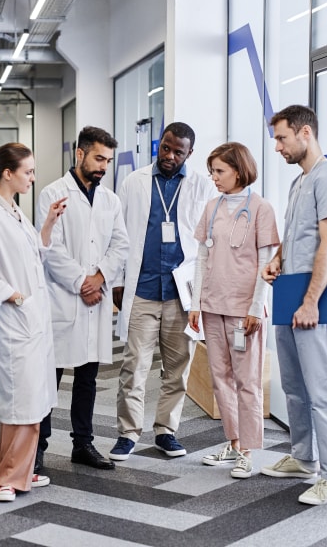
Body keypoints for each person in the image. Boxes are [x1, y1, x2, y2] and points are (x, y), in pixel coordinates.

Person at [260, 105, 327, 505]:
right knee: (294, 386)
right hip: (289, 290)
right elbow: (296, 234)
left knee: (323, 389)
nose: (277, 147)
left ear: (305, 133)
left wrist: (312, 301)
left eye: (281, 138)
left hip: (316, 297)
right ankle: (303, 458)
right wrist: (277, 258)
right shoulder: (300, 183)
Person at [0, 142, 67, 502]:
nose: (33, 178)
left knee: (35, 398)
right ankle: (6, 478)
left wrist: (49, 224)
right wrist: (14, 296)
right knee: (19, 401)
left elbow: (35, 251)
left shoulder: (12, 209)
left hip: (33, 320)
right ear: (7, 173)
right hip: (16, 320)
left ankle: (25, 469)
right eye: (28, 172)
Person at [110, 122, 216, 461]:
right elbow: (121, 235)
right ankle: (128, 433)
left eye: (178, 152)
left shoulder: (201, 186)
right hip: (141, 288)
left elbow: (206, 243)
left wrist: (202, 294)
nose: (170, 156)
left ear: (190, 154)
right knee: (133, 367)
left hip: (180, 293)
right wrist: (118, 280)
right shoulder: (134, 182)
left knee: (177, 367)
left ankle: (166, 431)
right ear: (160, 144)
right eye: (166, 148)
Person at [35, 126, 129, 472]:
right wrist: (81, 283)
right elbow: (51, 249)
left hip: (96, 297)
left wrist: (100, 276)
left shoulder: (111, 200)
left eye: (108, 160)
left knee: (88, 376)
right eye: (98, 158)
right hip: (64, 298)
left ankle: (83, 444)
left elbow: (121, 244)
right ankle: (39, 446)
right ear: (80, 154)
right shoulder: (52, 193)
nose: (104, 166)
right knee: (51, 376)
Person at [187, 142, 280, 478]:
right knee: (220, 379)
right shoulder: (212, 207)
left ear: (238, 171)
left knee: (248, 380)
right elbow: (201, 257)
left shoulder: (261, 209)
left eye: (219, 171)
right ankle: (235, 441)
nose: (214, 177)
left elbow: (267, 262)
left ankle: (250, 451)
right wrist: (195, 303)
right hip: (213, 306)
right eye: (212, 171)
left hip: (244, 311)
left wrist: (257, 306)